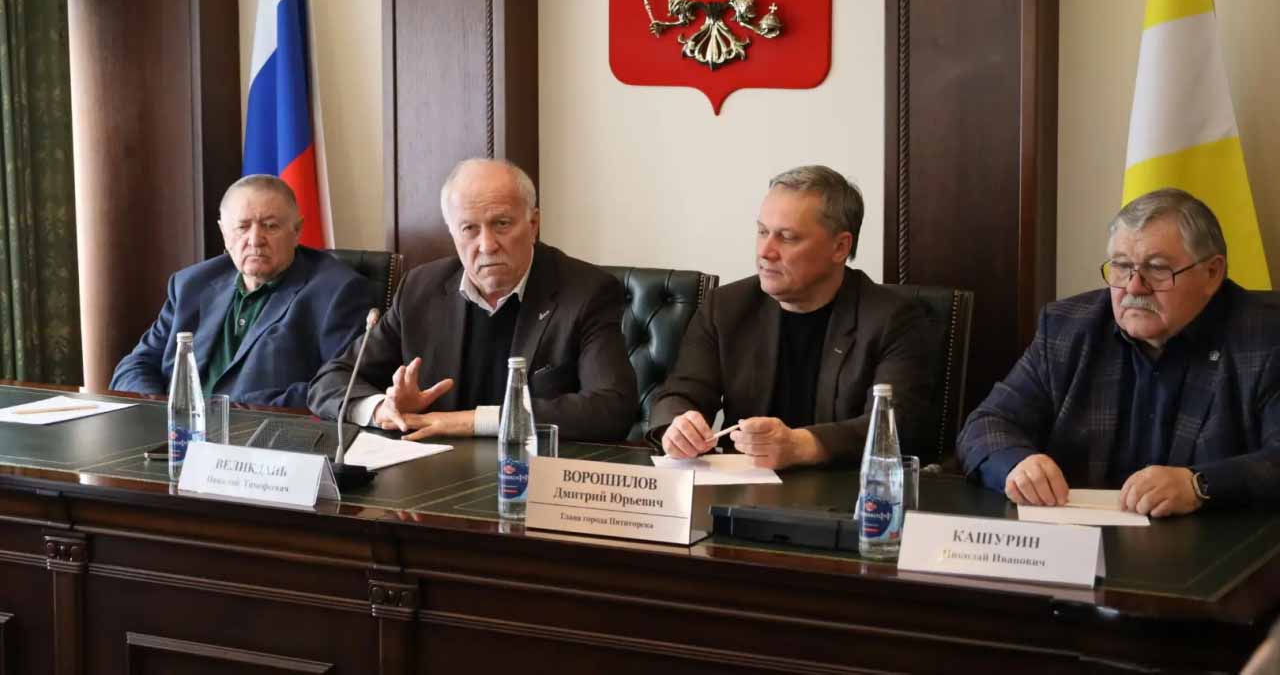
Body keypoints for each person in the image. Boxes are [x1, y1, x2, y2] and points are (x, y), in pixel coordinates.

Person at [958, 188, 1280, 516]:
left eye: (1157, 268)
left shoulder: (1265, 338)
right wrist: (1017, 464)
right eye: (1122, 266)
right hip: (1082, 539)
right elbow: (987, 424)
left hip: (1216, 543)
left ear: (1212, 273)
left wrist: (1199, 485)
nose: (1133, 286)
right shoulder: (1067, 329)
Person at [307, 158, 636, 441]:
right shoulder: (421, 288)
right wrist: (384, 409)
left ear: (533, 224)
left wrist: (472, 421)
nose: (487, 245)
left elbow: (611, 409)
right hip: (435, 476)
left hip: (533, 475)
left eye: (501, 224)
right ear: (452, 232)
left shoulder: (586, 291)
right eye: (469, 229)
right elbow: (330, 381)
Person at [647, 165, 933, 470]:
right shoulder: (726, 307)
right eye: (762, 232)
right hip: (742, 487)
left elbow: (896, 426)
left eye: (787, 237)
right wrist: (678, 427)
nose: (765, 251)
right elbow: (680, 394)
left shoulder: (893, 319)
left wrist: (802, 445)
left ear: (840, 247)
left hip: (846, 490)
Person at [111, 175, 377, 408]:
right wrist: (167, 413)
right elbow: (134, 367)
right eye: (242, 227)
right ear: (224, 234)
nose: (255, 240)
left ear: (296, 231)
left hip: (267, 439)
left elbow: (340, 386)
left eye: (270, 226)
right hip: (177, 436)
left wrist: (235, 414)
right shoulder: (192, 284)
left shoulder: (336, 293)